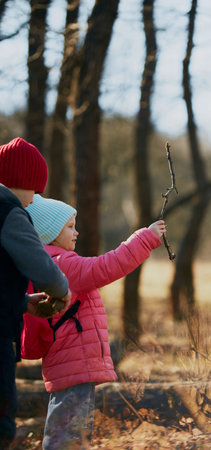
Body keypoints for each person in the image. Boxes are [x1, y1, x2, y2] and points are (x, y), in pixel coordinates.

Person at [23, 194, 166, 449]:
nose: (76, 232)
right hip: (72, 365)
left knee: (69, 433)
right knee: (67, 436)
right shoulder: (61, 265)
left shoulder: (50, 262)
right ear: (50, 231)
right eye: (69, 226)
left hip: (72, 364)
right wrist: (145, 238)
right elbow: (105, 267)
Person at [0, 137, 71, 449]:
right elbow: (40, 265)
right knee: (2, 419)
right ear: (22, 183)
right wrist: (62, 289)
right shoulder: (10, 213)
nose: (34, 199)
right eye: (34, 191)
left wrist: (23, 302)